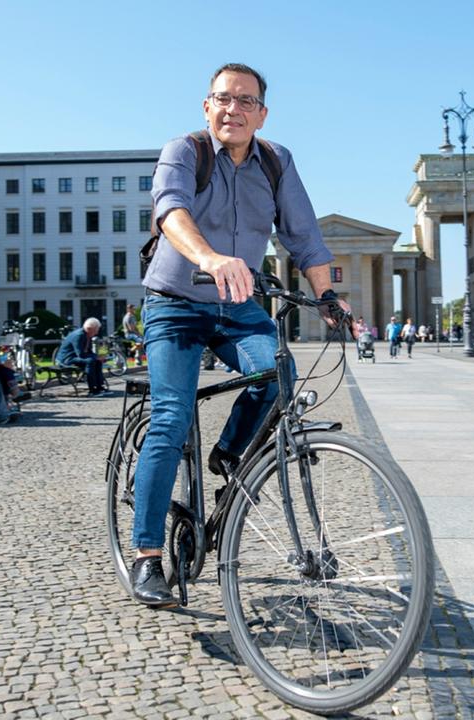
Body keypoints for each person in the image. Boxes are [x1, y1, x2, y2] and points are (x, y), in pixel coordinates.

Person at [130, 62, 347, 608]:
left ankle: (228, 453)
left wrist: (325, 295)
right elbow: (170, 211)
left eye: (246, 101)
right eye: (224, 99)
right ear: (208, 107)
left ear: (262, 113)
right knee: (171, 418)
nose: (234, 110)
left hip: (236, 304)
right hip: (175, 304)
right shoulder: (183, 151)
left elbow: (304, 234)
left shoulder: (276, 161)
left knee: (278, 373)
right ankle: (147, 556)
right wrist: (209, 256)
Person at [57, 318, 109, 395]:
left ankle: (99, 386)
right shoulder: (79, 335)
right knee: (90, 361)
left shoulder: (87, 335)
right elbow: (80, 354)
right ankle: (92, 388)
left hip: (75, 357)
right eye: (96, 329)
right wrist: (96, 357)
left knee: (97, 361)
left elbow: (89, 351)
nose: (97, 332)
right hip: (67, 359)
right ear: (89, 328)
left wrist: (98, 357)